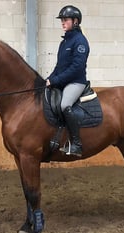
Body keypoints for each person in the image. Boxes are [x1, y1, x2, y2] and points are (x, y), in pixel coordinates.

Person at [46, 5, 90, 157]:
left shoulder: (80, 42)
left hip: (76, 82)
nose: (62, 23)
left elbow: (76, 68)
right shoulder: (64, 42)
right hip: (64, 80)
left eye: (65, 20)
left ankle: (77, 144)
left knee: (65, 105)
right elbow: (59, 66)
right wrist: (49, 79)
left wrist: (56, 80)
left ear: (75, 21)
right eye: (62, 20)